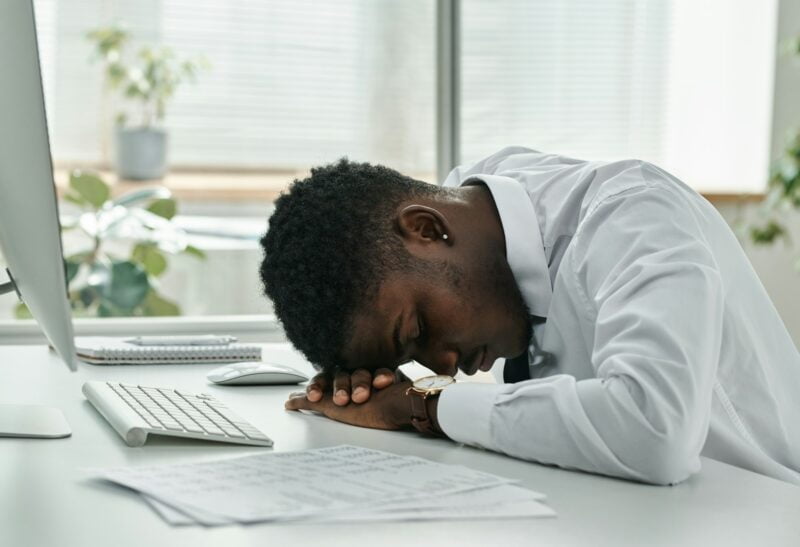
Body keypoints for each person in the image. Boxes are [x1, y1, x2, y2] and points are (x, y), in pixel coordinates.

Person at [260, 146, 800, 486]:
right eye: (413, 360)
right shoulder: (477, 222)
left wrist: (423, 406)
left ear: (427, 229)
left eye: (419, 331)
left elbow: (653, 431)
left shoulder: (633, 214)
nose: (445, 362)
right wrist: (374, 384)